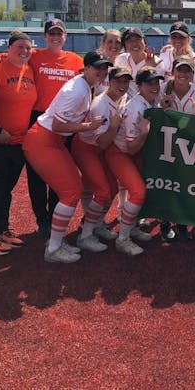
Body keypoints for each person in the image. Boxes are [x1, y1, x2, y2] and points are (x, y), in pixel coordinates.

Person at [23, 51, 110, 263]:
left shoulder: (86, 85)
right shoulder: (77, 91)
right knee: (70, 192)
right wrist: (87, 126)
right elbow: (58, 125)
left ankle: (56, 241)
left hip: (53, 141)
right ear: (86, 68)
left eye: (104, 67)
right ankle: (52, 249)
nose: (101, 71)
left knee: (75, 190)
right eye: (97, 67)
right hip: (43, 141)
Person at [70, 65, 152, 252]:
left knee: (112, 188)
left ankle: (98, 225)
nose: (122, 85)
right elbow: (103, 143)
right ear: (109, 81)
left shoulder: (123, 97)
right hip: (89, 148)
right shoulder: (101, 104)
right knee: (103, 191)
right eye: (118, 80)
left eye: (126, 81)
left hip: (106, 149)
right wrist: (114, 126)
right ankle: (85, 235)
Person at [0, 31, 37, 256]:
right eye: (19, 47)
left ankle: (2, 230)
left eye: (28, 48)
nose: (24, 51)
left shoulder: (29, 70)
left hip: (17, 142)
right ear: (9, 48)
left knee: (6, 190)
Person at [27, 18, 84, 238]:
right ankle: (42, 219)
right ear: (44, 36)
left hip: (66, 122)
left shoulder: (75, 60)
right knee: (37, 174)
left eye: (59, 33)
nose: (55, 37)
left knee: (60, 172)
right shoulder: (34, 56)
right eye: (51, 33)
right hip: (40, 118)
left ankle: (53, 216)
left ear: (65, 37)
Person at [104, 66, 164, 254]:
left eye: (156, 82)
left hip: (135, 153)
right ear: (139, 86)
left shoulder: (151, 101)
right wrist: (145, 132)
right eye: (149, 83)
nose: (154, 86)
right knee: (138, 192)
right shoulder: (136, 107)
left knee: (140, 188)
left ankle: (131, 228)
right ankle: (123, 238)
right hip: (121, 152)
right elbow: (131, 147)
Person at [158, 56, 195, 241]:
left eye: (188, 71)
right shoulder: (163, 89)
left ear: (193, 74)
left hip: (188, 145)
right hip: (165, 144)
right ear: (173, 72)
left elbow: (194, 127)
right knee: (167, 184)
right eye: (180, 70)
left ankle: (182, 222)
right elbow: (159, 118)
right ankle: (165, 221)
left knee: (185, 185)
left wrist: (189, 118)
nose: (184, 74)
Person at [115, 27, 159, 96]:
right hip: (125, 103)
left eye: (138, 40)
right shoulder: (121, 59)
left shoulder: (157, 62)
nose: (134, 44)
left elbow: (156, 91)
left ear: (144, 42)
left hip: (148, 103)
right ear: (125, 46)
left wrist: (150, 70)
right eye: (130, 41)